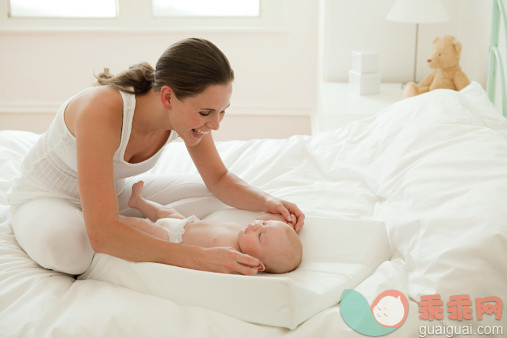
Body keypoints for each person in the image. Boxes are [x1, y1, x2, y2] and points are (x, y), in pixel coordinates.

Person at [7, 38, 305, 276]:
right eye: (206, 113)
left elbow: (218, 179)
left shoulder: (188, 118)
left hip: (111, 194)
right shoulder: (101, 111)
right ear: (167, 97)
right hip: (48, 198)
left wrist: (268, 202)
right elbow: (101, 234)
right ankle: (123, 233)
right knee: (70, 250)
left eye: (222, 111)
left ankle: (132, 229)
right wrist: (197, 258)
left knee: (219, 199)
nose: (215, 124)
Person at [124, 181, 302, 274]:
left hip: (170, 240)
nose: (257, 225)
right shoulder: (246, 231)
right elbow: (263, 218)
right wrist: (282, 218)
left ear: (257, 263)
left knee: (141, 226)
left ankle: (117, 220)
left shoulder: (236, 259)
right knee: (164, 212)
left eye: (261, 235)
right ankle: (139, 202)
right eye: (264, 224)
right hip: (184, 223)